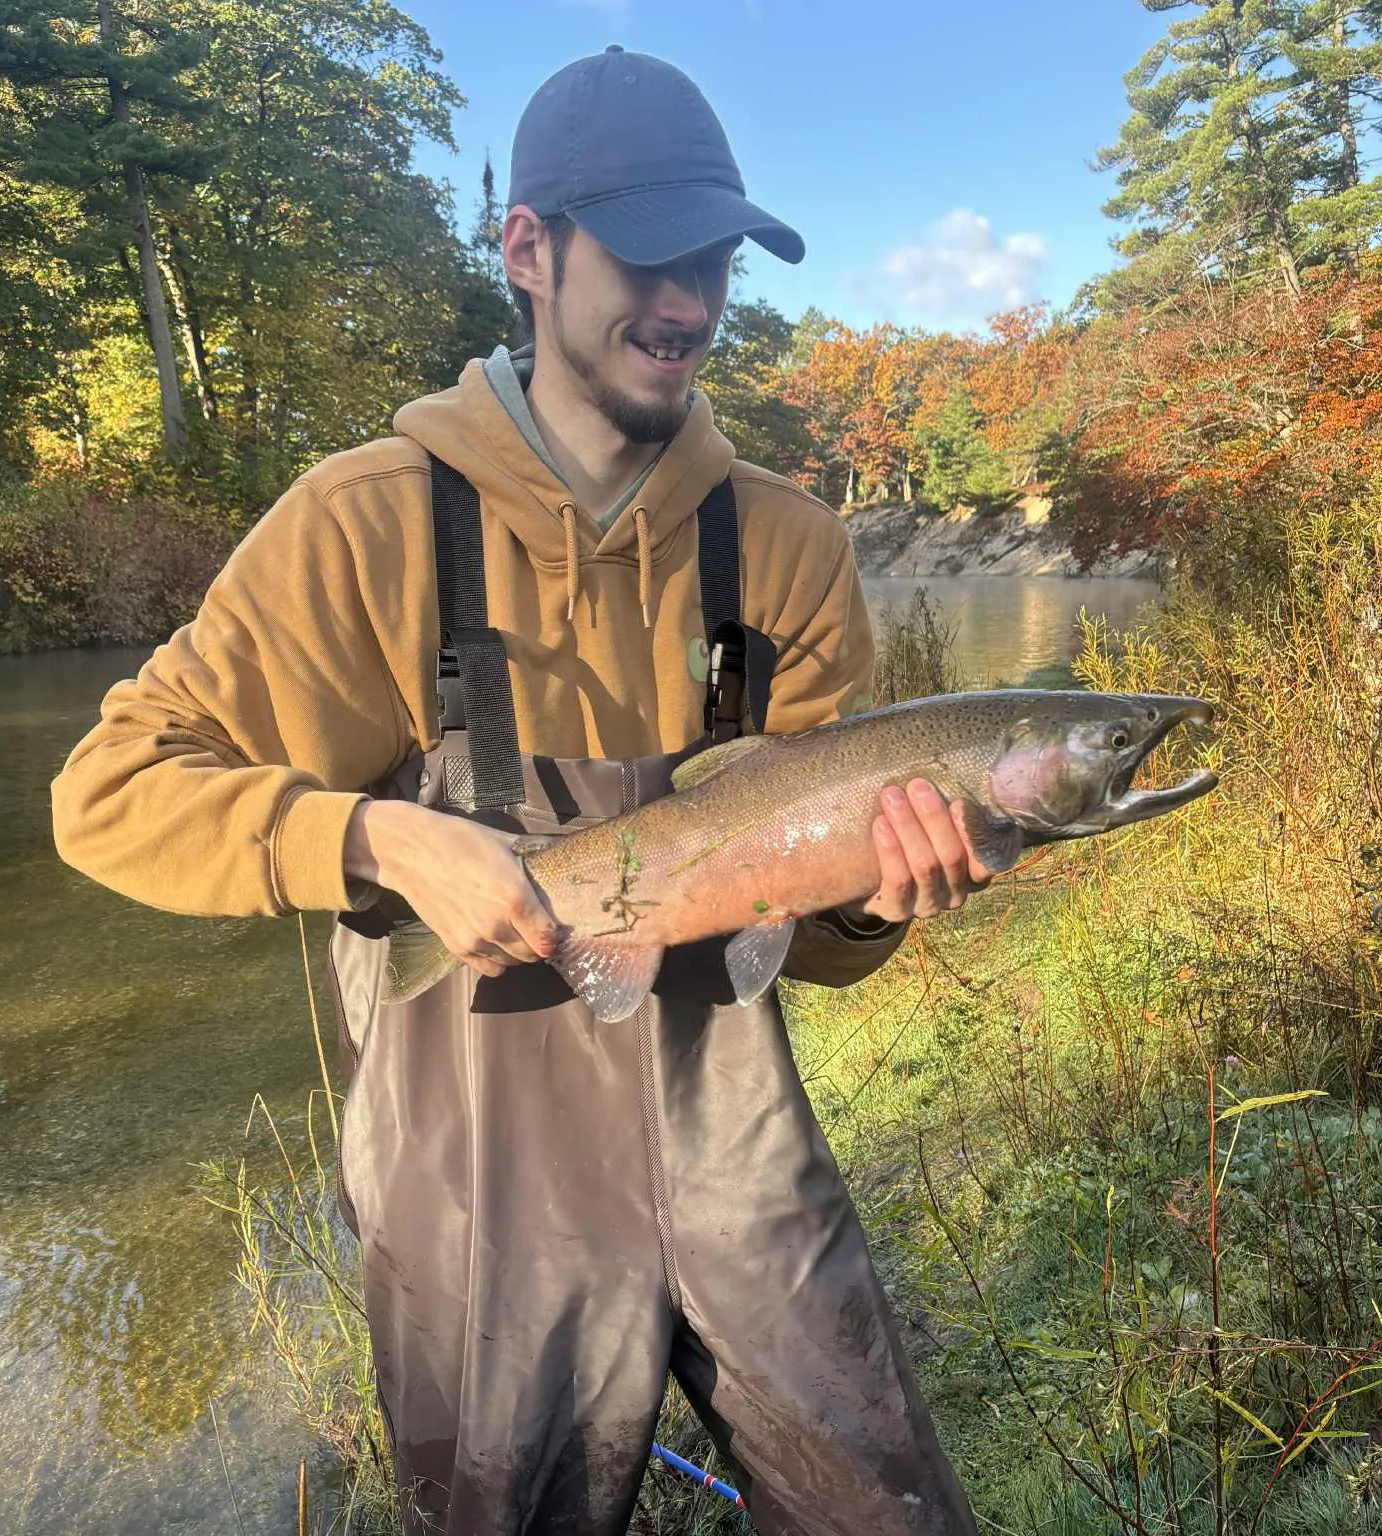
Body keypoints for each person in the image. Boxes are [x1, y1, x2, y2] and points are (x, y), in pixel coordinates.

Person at [51, 45, 988, 1536]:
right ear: (529, 251)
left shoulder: (791, 551)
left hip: (738, 1142)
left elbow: (814, 946)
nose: (689, 302)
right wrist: (366, 835)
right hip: (476, 1187)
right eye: (652, 255)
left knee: (889, 1512)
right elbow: (106, 791)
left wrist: (876, 905)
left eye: (716, 261)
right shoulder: (360, 528)